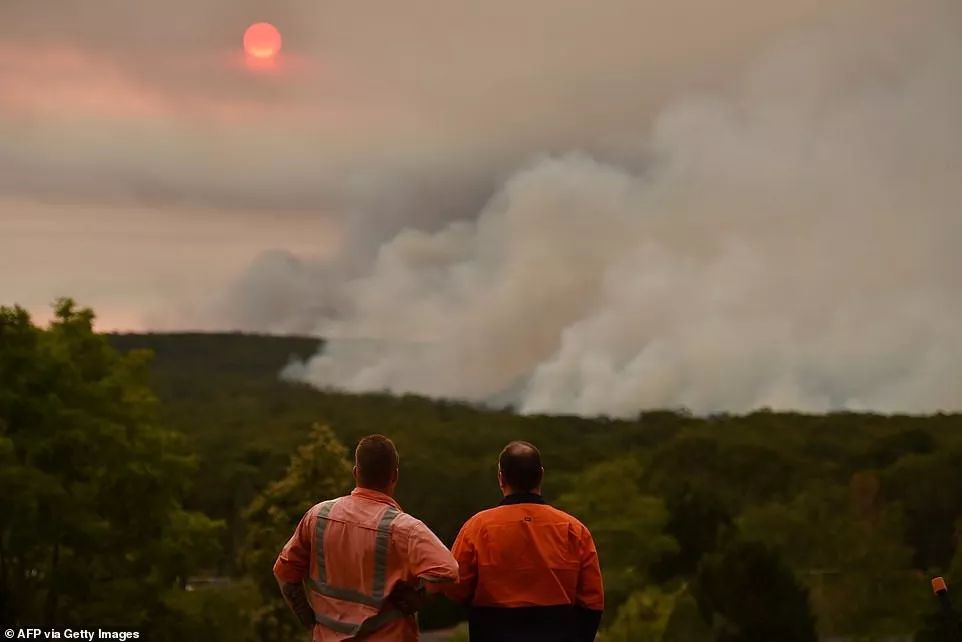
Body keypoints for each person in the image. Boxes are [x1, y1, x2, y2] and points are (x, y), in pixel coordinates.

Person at [273, 434, 458, 641]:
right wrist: (419, 599)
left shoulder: (318, 516)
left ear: (355, 472)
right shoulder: (404, 528)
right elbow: (447, 571)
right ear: (394, 476)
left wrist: (309, 621)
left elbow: (285, 573)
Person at [444, 441, 604, 642]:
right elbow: (592, 600)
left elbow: (455, 586)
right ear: (541, 475)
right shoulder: (573, 529)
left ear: (501, 478)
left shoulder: (477, 527)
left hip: (493, 631)